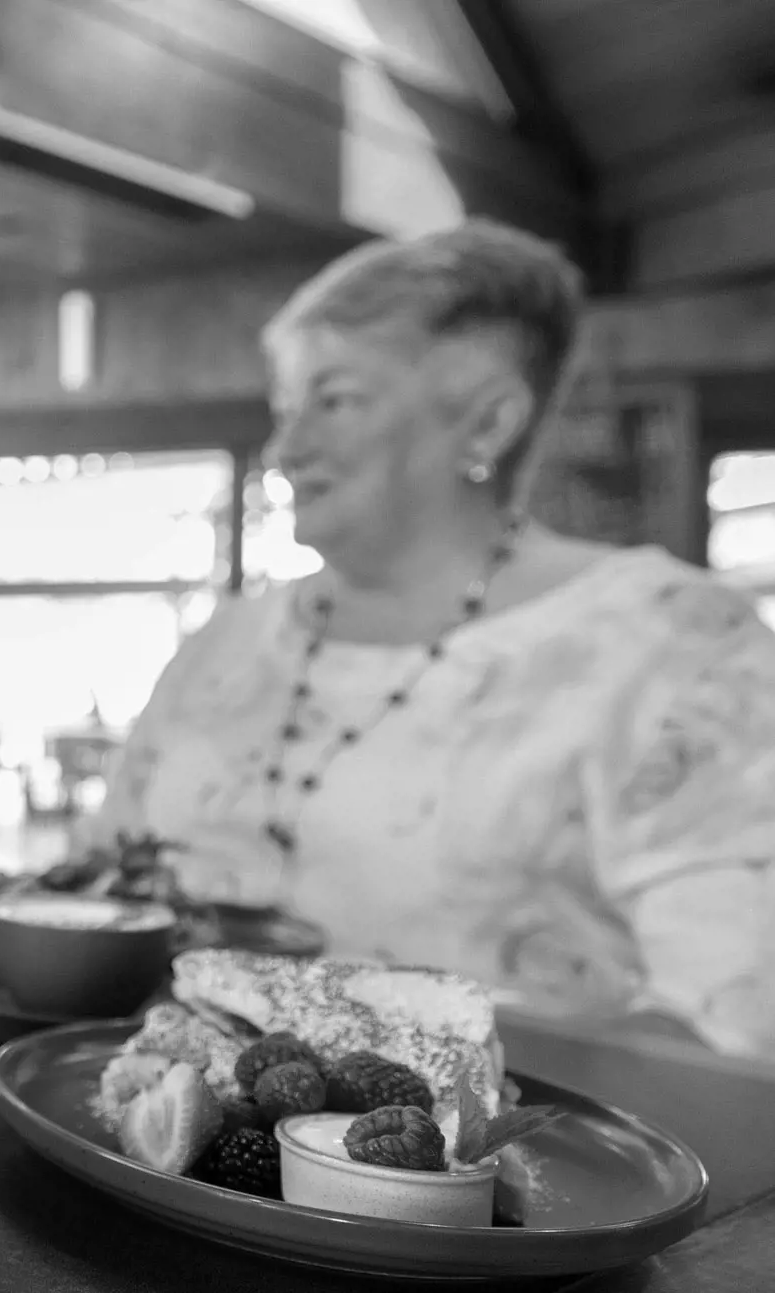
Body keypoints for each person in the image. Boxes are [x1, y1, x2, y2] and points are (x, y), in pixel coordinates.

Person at [80, 218, 775, 1058]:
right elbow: (97, 880)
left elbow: (732, 1023)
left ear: (486, 426)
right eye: (284, 408)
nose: (285, 449)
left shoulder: (671, 644)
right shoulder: (228, 641)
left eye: (333, 401)